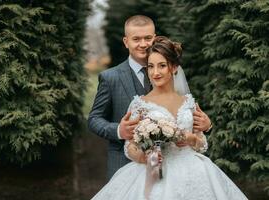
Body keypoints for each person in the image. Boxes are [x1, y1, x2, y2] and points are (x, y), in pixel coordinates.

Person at [91, 36, 248, 200]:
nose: (155, 72)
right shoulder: (140, 104)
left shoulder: (189, 103)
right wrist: (144, 156)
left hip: (193, 171)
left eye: (162, 66)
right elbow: (130, 147)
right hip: (154, 172)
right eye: (150, 66)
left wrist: (192, 139)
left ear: (174, 67)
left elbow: (202, 143)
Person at [88, 15, 212, 179]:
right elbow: (94, 119)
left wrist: (206, 125)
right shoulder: (111, 77)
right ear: (126, 42)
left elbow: (187, 118)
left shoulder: (171, 71)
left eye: (148, 38)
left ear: (154, 38)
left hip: (180, 169)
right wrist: (119, 130)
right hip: (127, 166)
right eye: (136, 39)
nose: (143, 44)